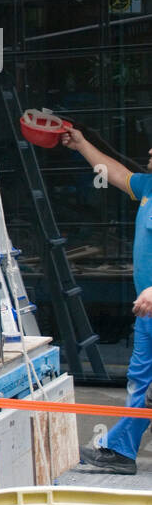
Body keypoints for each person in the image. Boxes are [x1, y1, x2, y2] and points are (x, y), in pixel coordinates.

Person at [63, 126, 151, 474]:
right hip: (147, 314)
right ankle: (121, 451)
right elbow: (117, 174)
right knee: (141, 381)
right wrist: (83, 145)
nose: (149, 155)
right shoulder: (148, 188)